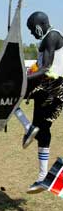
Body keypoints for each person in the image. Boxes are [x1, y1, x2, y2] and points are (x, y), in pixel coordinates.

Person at [14, 11, 63, 194]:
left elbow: (46, 69)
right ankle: (43, 177)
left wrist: (24, 80)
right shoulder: (47, 39)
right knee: (43, 133)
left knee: (12, 95)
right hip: (51, 87)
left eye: (32, 30)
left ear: (38, 26)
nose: (32, 34)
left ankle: (28, 128)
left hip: (55, 87)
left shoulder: (52, 36)